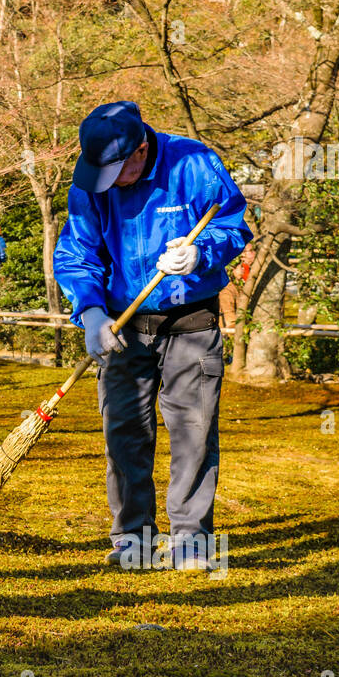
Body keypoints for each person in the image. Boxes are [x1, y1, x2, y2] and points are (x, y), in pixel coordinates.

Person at [53, 100, 252, 571]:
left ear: (142, 149)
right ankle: (133, 539)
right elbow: (78, 254)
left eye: (117, 172)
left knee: (193, 432)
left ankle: (191, 540)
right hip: (123, 327)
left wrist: (200, 253)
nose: (110, 185)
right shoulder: (91, 185)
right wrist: (92, 313)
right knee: (123, 432)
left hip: (191, 323)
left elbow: (233, 224)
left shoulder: (194, 163)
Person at [218, 243, 255, 332]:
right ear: (232, 269)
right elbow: (229, 317)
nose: (243, 269)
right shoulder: (226, 289)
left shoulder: (238, 286)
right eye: (240, 267)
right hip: (230, 333)